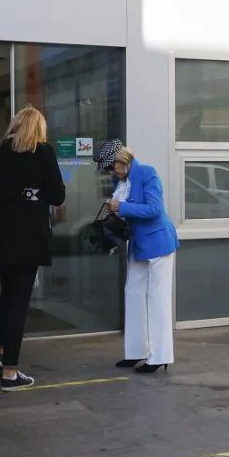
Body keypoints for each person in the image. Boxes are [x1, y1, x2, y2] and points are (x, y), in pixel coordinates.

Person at [0, 105, 66, 390]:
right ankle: (11, 373)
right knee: (18, 302)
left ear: (14, 125)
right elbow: (58, 196)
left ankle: (1, 356)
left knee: (7, 295)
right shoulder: (43, 153)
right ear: (39, 129)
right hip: (29, 238)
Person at [94, 139, 180, 374]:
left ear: (122, 161)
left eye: (111, 167)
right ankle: (135, 352)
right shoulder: (121, 179)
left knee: (157, 299)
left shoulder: (147, 173)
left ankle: (160, 356)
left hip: (159, 243)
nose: (110, 172)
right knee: (132, 294)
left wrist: (121, 207)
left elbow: (154, 209)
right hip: (139, 244)